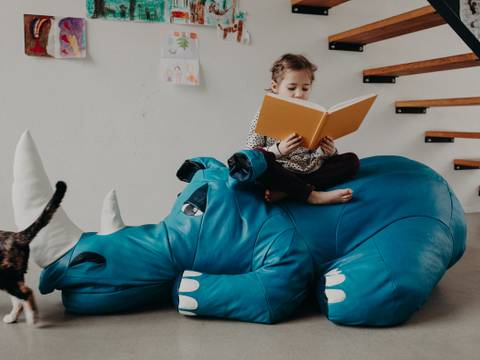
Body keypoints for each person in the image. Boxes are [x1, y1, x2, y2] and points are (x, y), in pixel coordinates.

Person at [246, 53, 360, 205]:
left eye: (305, 88)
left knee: (351, 161)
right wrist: (278, 150)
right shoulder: (266, 113)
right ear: (275, 87)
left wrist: (329, 151)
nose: (299, 94)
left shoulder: (313, 114)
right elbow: (252, 155)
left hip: (309, 168)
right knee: (255, 162)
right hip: (281, 171)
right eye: (292, 88)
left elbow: (317, 153)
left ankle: (288, 191)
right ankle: (312, 196)